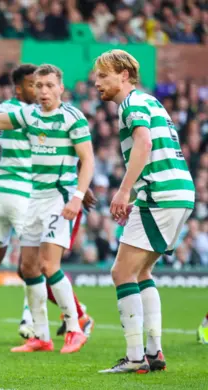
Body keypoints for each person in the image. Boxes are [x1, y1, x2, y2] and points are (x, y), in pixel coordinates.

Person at [0, 64, 95, 343]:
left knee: (19, 264)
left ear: (60, 87)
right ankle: (38, 329)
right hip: (27, 193)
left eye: (47, 85)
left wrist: (77, 193)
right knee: (32, 265)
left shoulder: (56, 115)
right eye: (36, 85)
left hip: (11, 194)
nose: (41, 91)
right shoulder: (27, 114)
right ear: (26, 88)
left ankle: (72, 325)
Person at [94, 49, 195, 373]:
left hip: (161, 194)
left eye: (103, 75)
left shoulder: (132, 104)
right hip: (178, 192)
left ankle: (136, 358)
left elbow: (144, 144)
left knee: (121, 273)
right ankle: (154, 353)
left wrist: (125, 191)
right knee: (141, 273)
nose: (97, 83)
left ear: (124, 75)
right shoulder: (151, 102)